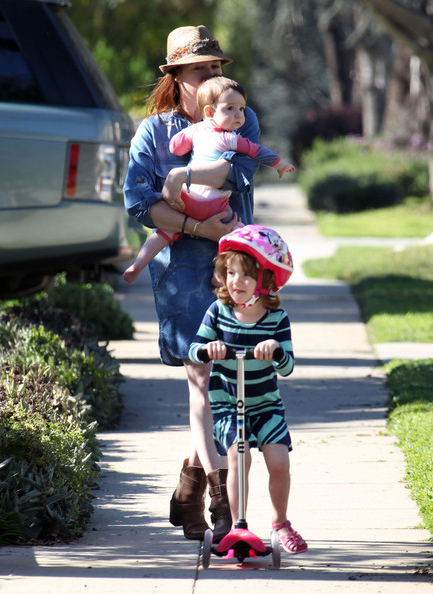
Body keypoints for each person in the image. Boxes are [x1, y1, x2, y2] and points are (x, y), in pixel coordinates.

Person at [123, 25, 262, 543]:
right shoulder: (154, 134)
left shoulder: (236, 117)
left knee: (227, 383)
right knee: (205, 379)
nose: (213, 75)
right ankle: (223, 504)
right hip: (179, 271)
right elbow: (139, 201)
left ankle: (187, 494)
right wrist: (198, 225)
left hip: (235, 270)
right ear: (176, 77)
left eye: (217, 66)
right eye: (202, 68)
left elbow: (243, 174)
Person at [188, 225, 308, 555]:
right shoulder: (218, 313)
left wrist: (276, 349)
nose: (236, 282)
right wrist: (208, 348)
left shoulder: (277, 319)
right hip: (228, 402)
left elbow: (287, 367)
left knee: (279, 461)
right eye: (231, 273)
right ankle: (238, 526)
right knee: (239, 456)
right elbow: (193, 349)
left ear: (266, 280)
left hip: (265, 404)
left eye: (246, 275)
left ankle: (280, 522)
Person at [122, 77, 294, 284]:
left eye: (241, 109)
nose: (239, 115)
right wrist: (279, 164)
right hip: (215, 207)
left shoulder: (195, 131)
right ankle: (219, 275)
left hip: (186, 202)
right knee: (238, 233)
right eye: (231, 109)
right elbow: (257, 152)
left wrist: (185, 137)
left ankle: (137, 265)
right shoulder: (230, 138)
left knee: (162, 234)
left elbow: (176, 147)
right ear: (210, 112)